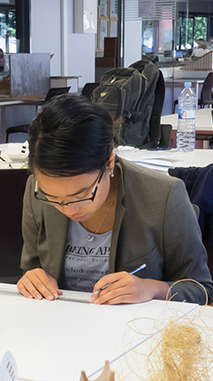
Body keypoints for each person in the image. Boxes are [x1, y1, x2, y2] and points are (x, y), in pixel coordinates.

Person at [17, 94, 213, 305]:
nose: (69, 210)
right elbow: (31, 268)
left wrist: (152, 288)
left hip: (137, 330)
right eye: (54, 198)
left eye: (81, 195)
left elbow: (202, 289)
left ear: (109, 163)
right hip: (60, 325)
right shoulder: (37, 190)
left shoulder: (164, 196)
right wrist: (32, 279)